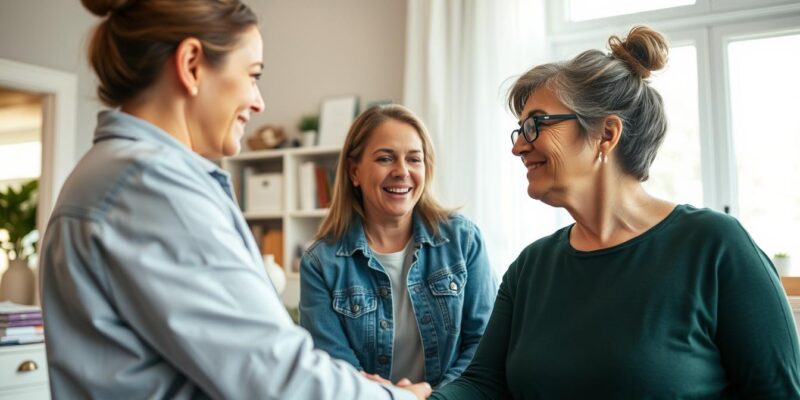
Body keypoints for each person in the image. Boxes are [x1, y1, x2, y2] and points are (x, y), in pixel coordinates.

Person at [39, 1, 431, 399]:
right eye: (252, 75)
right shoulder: (151, 186)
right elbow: (273, 377)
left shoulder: (118, 175)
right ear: (192, 65)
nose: (259, 103)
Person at [431, 26, 800, 399]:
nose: (519, 147)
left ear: (606, 134)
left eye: (535, 125)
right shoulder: (531, 267)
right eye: (520, 130)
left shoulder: (716, 246)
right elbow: (483, 385)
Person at [299, 105, 498, 388]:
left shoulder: (464, 240)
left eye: (414, 159)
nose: (402, 171)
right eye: (385, 158)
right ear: (354, 171)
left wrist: (431, 396)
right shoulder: (320, 263)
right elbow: (334, 365)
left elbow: (484, 345)